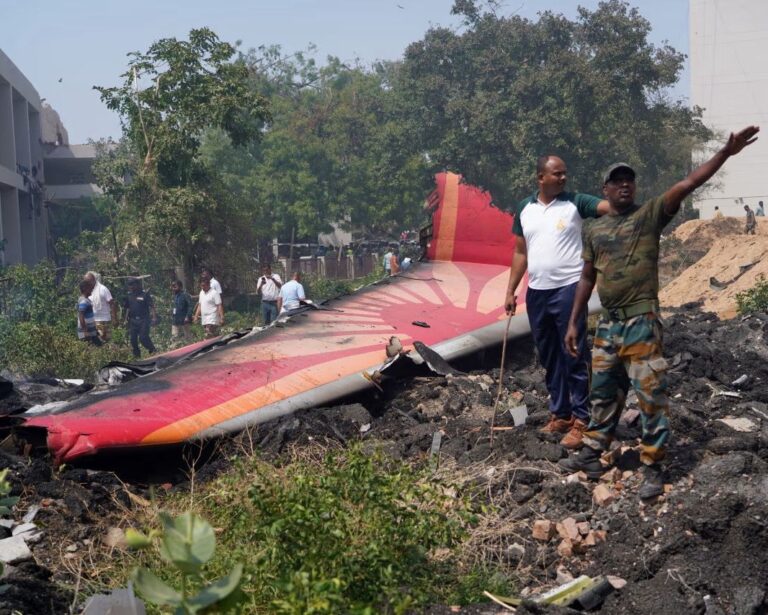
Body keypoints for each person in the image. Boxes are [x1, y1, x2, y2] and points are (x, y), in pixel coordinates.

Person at [559, 125, 759, 500]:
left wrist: (724, 153)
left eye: (628, 181)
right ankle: (592, 450)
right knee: (602, 391)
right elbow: (586, 277)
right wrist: (574, 323)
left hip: (641, 322)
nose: (624, 186)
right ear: (604, 189)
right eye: (616, 182)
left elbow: (687, 184)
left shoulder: (649, 215)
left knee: (650, 396)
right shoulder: (594, 230)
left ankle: (653, 465)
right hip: (608, 325)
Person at [504, 155, 610, 449]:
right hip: (537, 291)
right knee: (549, 355)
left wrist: (622, 201)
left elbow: (606, 207)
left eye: (565, 174)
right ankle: (560, 413)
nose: (563, 179)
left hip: (569, 289)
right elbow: (520, 252)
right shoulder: (525, 209)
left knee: (574, 353)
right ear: (541, 178)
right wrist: (511, 290)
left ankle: (582, 419)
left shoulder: (575, 202)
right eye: (557, 174)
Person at [122, 278, 157, 358]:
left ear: (137, 285)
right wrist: (125, 320)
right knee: (133, 340)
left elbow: (152, 307)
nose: (130, 286)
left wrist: (154, 318)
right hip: (133, 320)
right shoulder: (129, 296)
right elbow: (128, 308)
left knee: (143, 337)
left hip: (144, 320)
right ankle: (137, 356)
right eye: (129, 285)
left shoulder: (144, 295)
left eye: (132, 284)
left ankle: (152, 350)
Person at [85, 271, 117, 342]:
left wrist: (114, 319)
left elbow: (112, 303)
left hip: (105, 319)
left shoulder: (103, 289)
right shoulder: (87, 291)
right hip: (95, 320)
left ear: (93, 280)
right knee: (98, 339)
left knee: (107, 339)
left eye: (88, 281)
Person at [77, 279, 102, 346]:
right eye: (90, 288)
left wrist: (95, 330)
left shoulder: (86, 300)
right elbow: (81, 316)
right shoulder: (83, 301)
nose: (92, 290)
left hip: (91, 333)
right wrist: (85, 331)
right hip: (87, 334)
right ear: (85, 288)